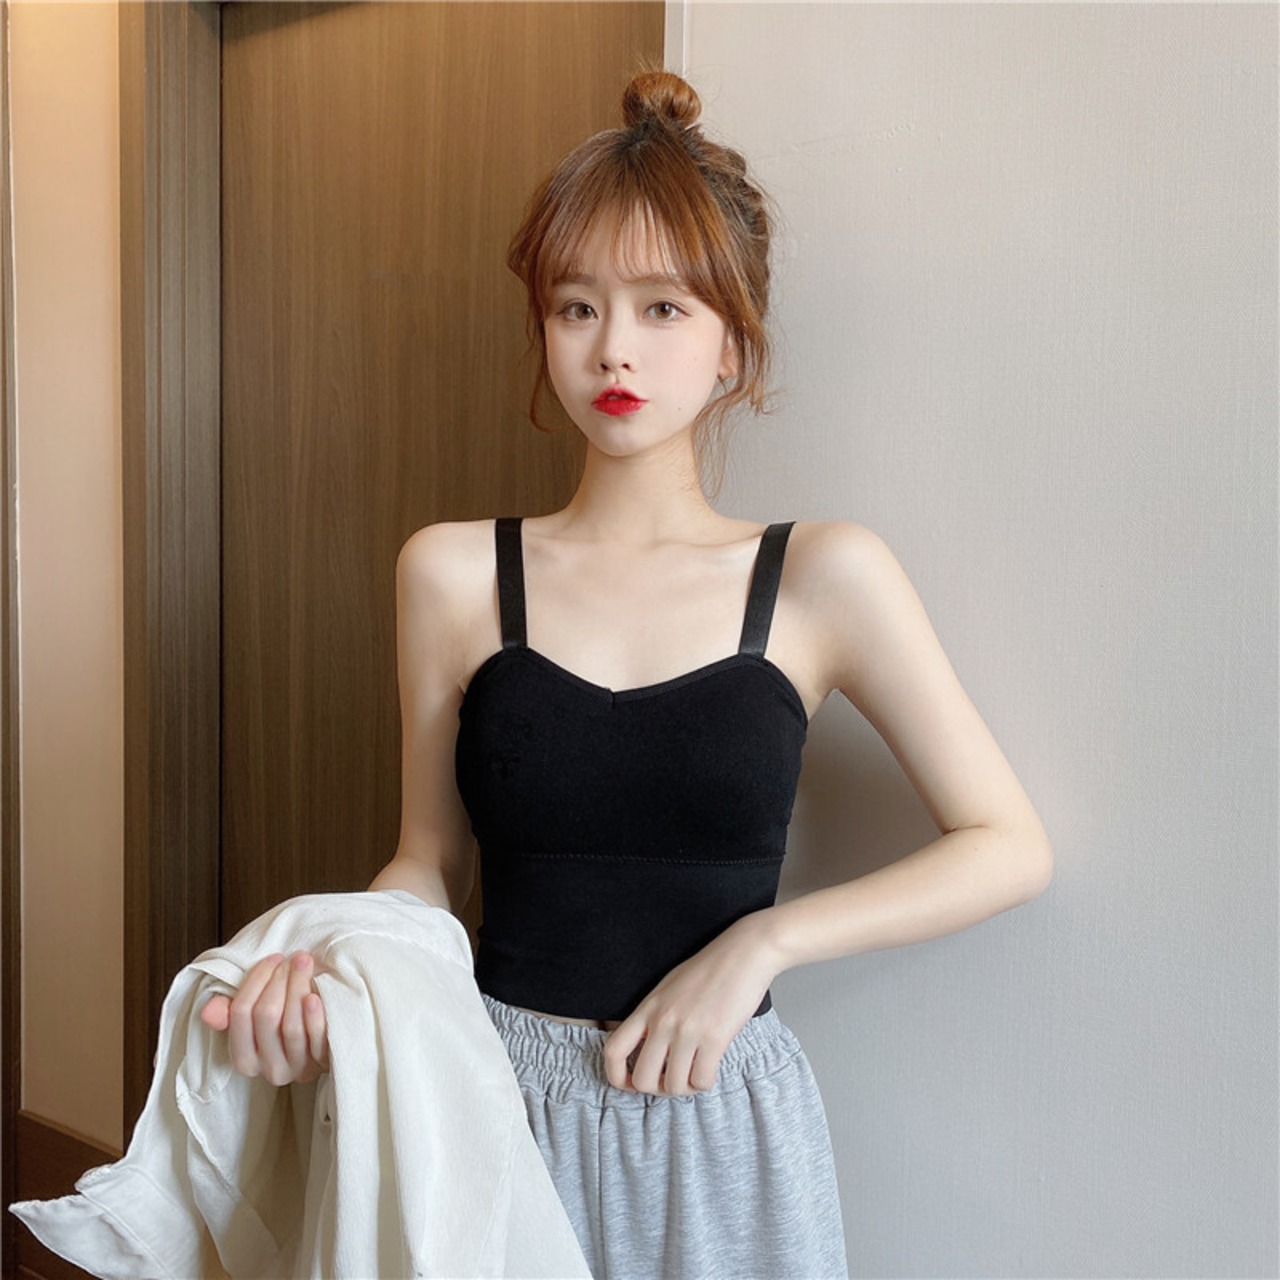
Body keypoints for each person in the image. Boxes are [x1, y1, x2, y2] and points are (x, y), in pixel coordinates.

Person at [202, 69, 1052, 1279]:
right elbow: (428, 863)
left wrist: (758, 947)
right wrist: (341, 974)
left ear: (731, 344)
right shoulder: (451, 571)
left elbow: (1006, 843)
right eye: (575, 306)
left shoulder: (822, 576)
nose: (613, 348)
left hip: (722, 1120)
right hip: (484, 1098)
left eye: (662, 308)